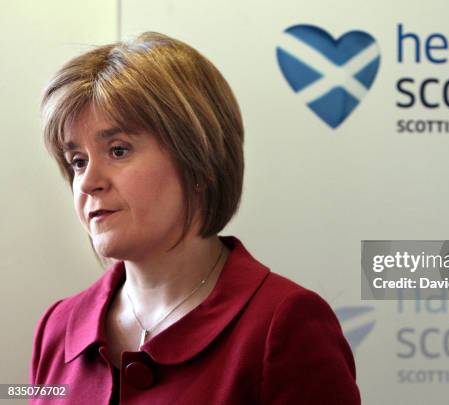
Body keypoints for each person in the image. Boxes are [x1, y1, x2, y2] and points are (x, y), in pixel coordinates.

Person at [30, 32, 360, 404]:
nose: (88, 182)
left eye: (118, 150)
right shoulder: (58, 327)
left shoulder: (285, 325)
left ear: (198, 162)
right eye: (78, 161)